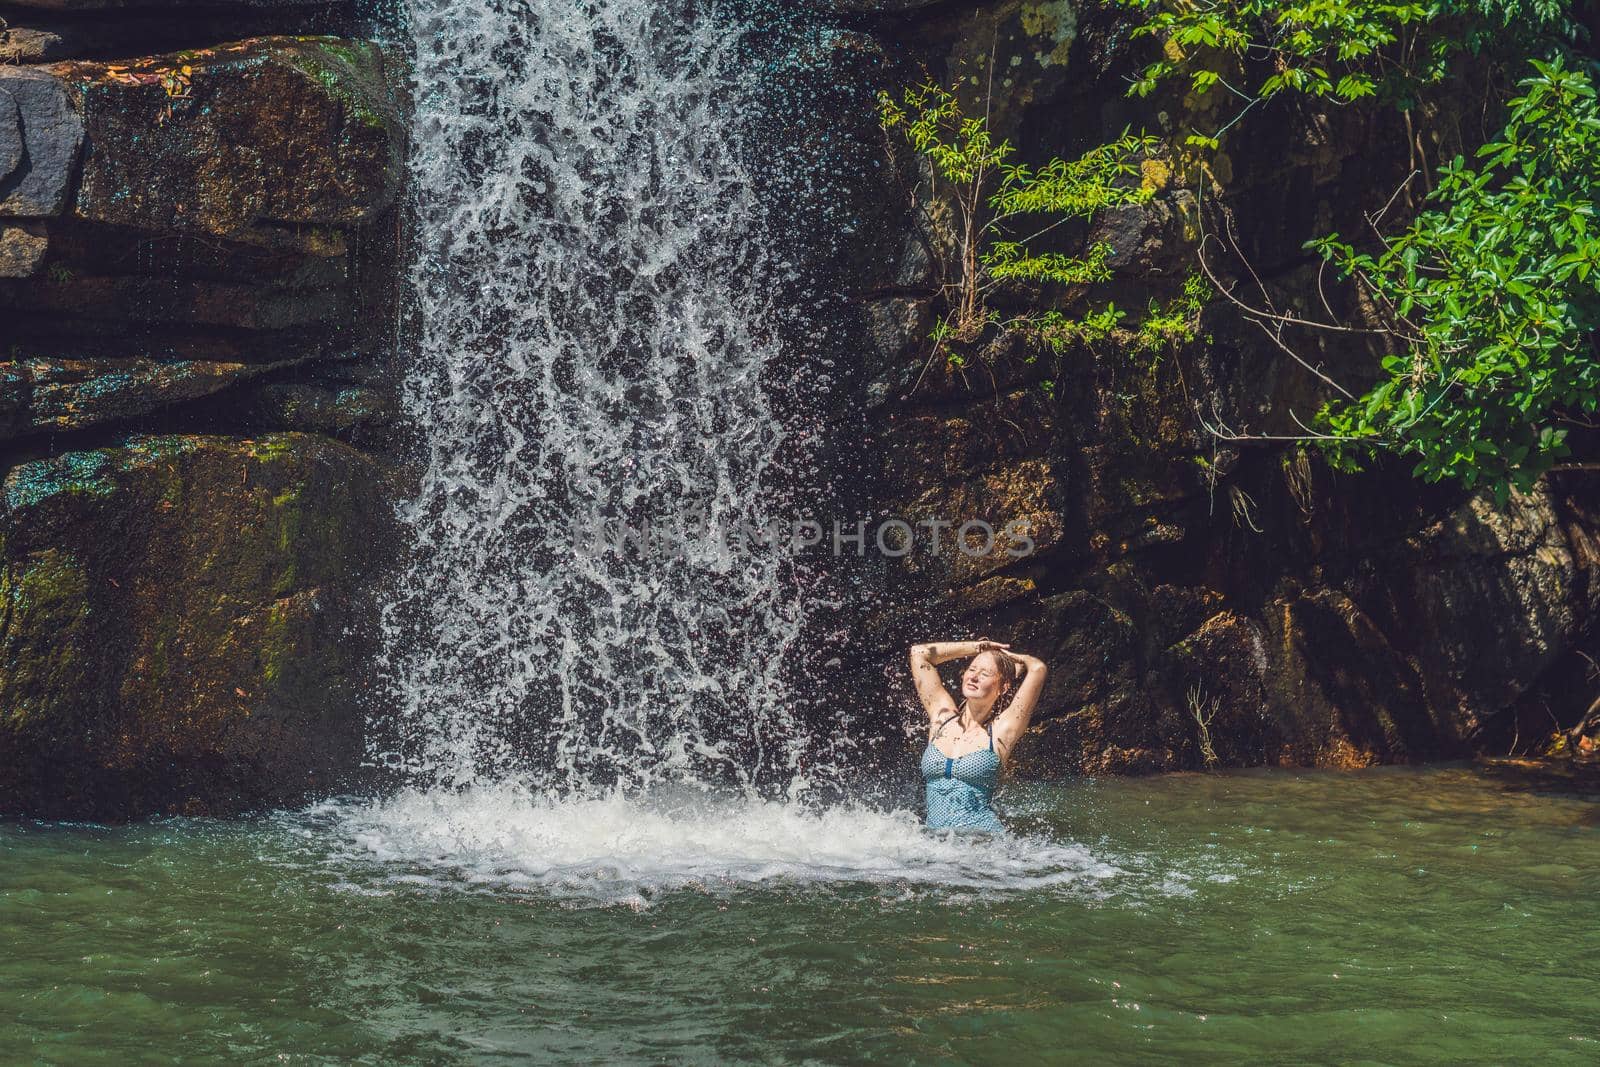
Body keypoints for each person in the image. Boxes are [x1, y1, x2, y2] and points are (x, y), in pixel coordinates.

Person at [908, 638, 1048, 833]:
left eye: (985, 674)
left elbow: (1037, 668)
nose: (974, 677)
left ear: (1003, 687)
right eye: (972, 670)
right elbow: (919, 653)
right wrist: (978, 647)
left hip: (982, 847)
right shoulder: (941, 717)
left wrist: (1015, 658)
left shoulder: (1002, 730)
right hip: (936, 848)